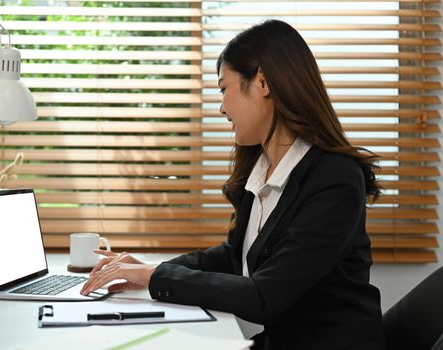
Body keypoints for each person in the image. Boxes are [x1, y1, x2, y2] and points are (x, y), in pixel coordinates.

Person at [80, 19, 385, 350]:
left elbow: (265, 295)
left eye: (225, 88)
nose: (222, 107)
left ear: (263, 82)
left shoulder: (335, 179)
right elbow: (233, 256)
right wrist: (153, 270)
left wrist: (156, 278)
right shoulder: (263, 170)